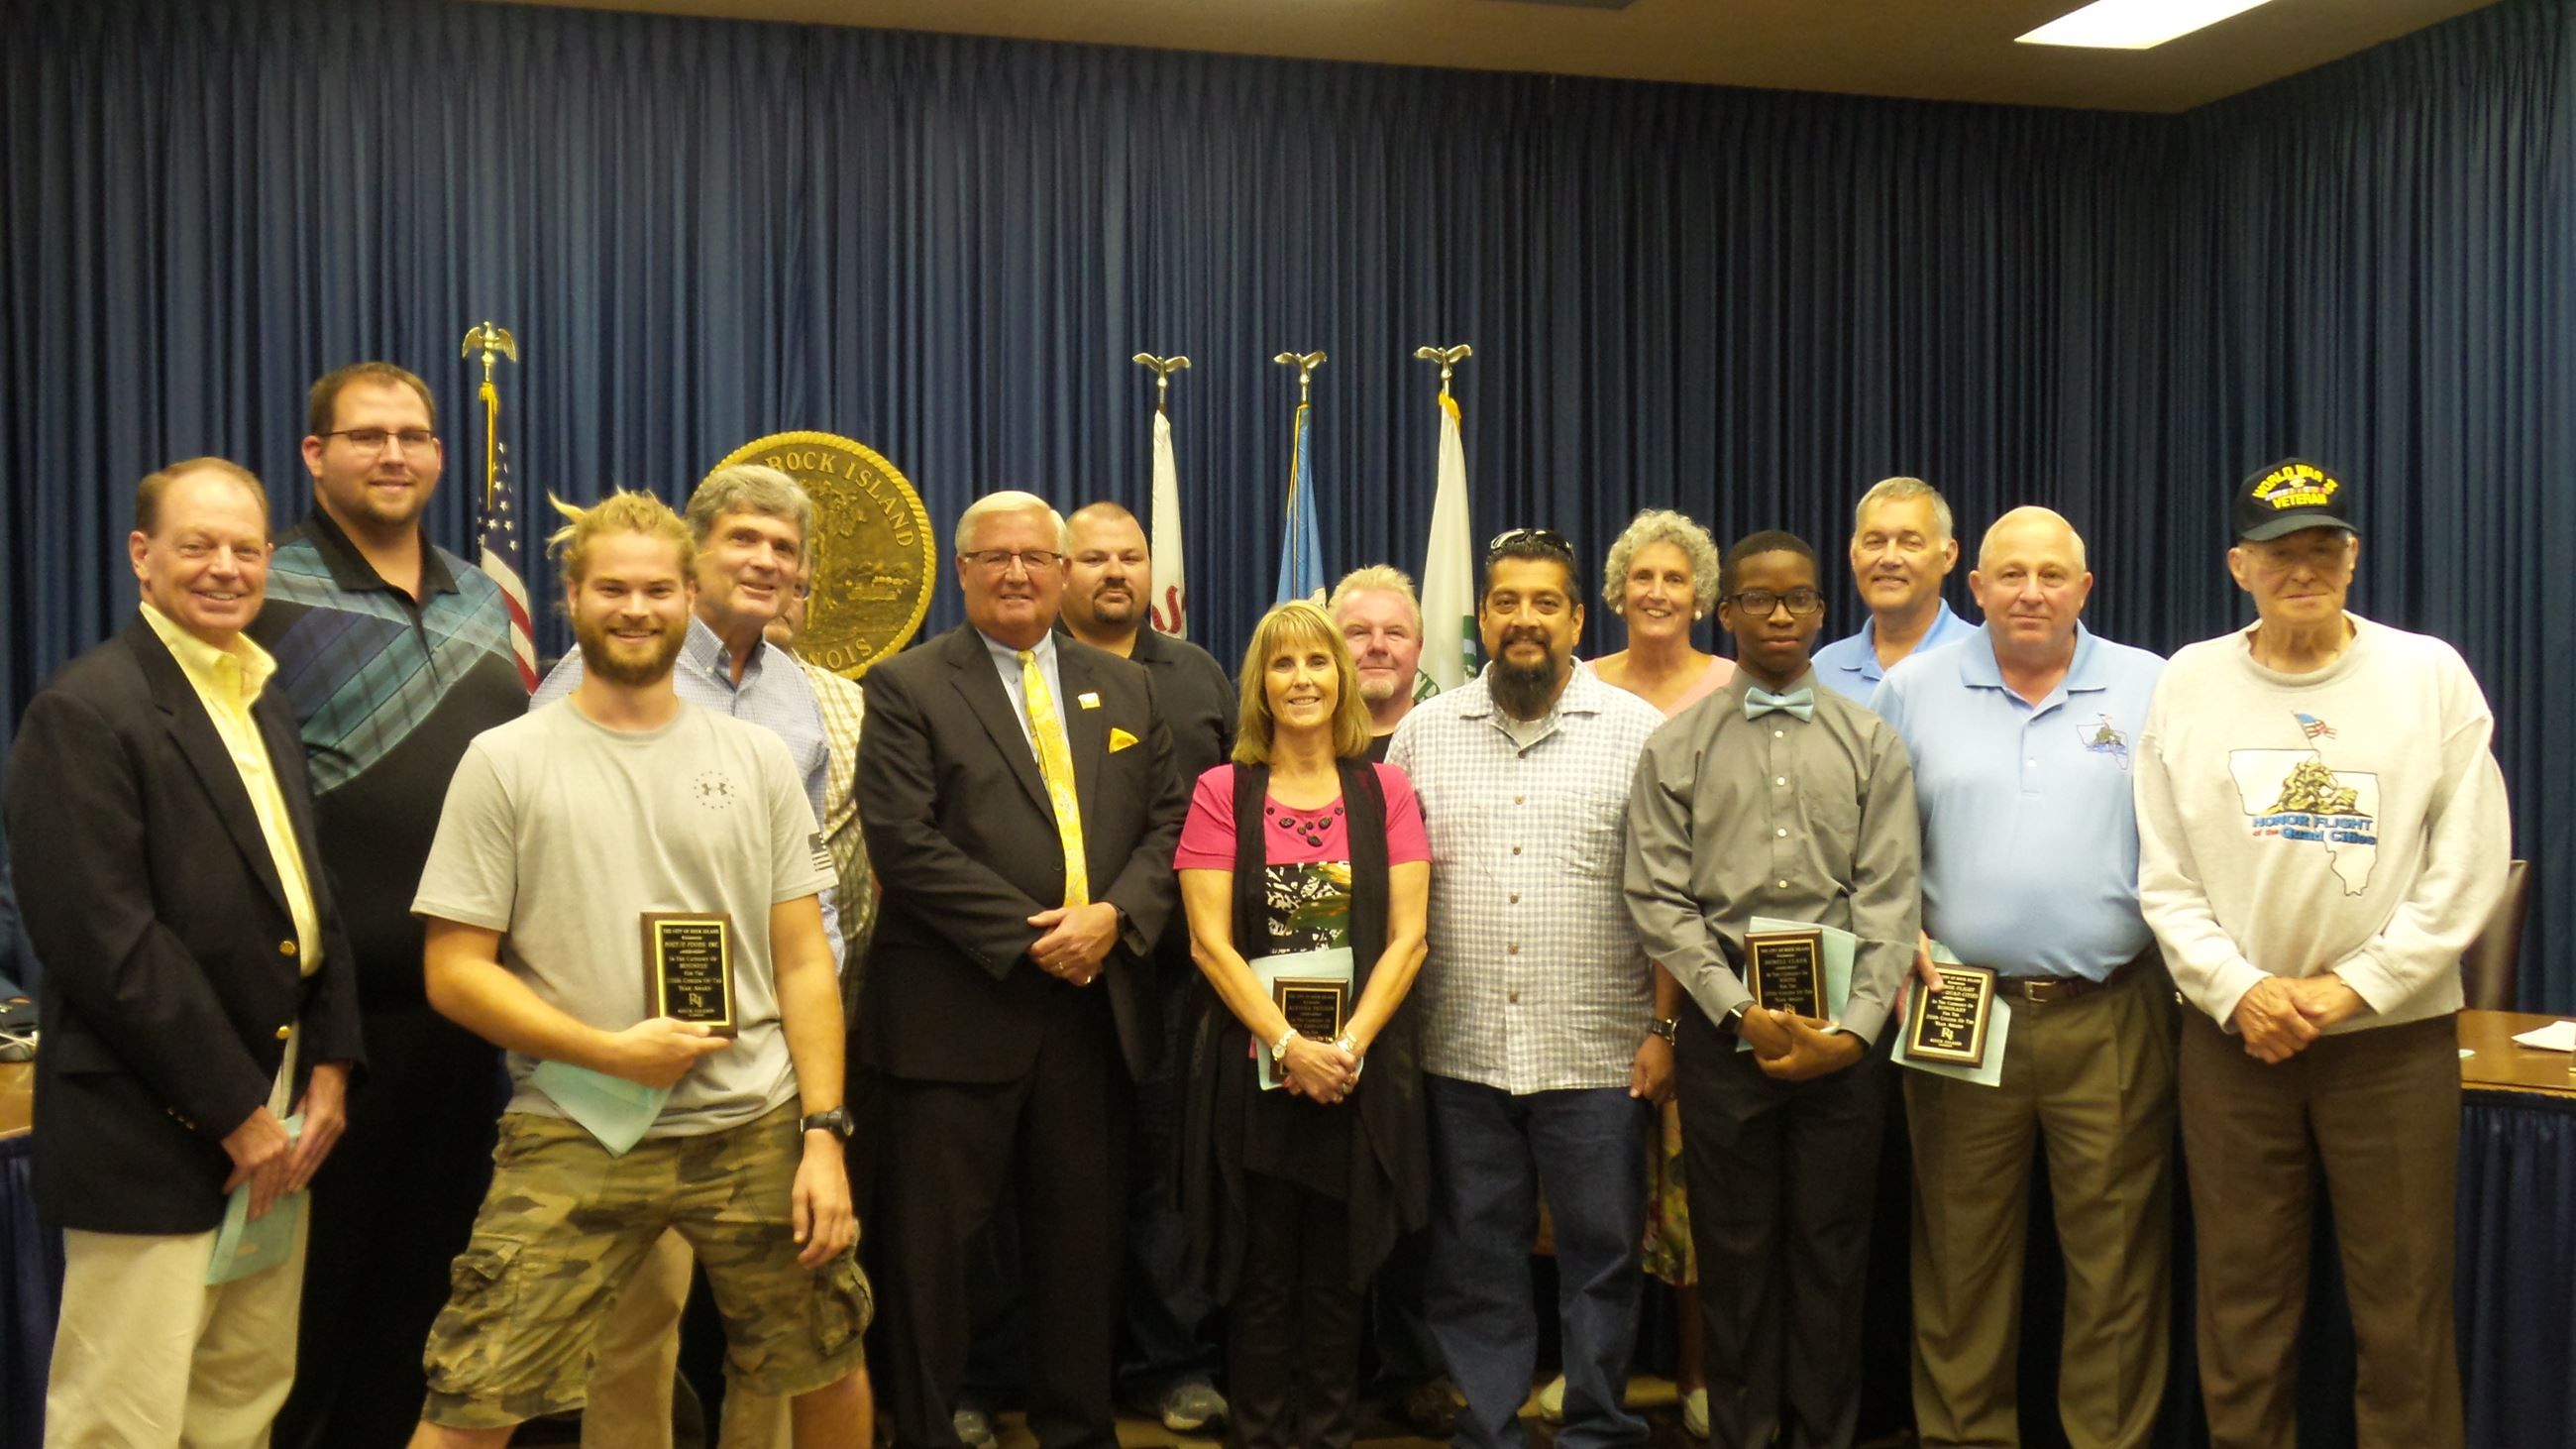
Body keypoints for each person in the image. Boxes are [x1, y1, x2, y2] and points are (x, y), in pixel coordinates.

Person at [404, 490, 869, 1449]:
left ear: (687, 593)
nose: (635, 607)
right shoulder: (504, 760)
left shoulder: (758, 758)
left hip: (755, 1123)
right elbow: (454, 972)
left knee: (826, 1359)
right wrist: (605, 1050)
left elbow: (801, 960)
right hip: (578, 1120)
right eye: (610, 586)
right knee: (473, 1390)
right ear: (571, 595)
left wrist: (822, 1133)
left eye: (657, 588)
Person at [2134, 459, 2511, 1449]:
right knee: (2241, 1311)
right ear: (2236, 567)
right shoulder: (2186, 680)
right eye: (2276, 551)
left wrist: (2352, 989)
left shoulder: (2427, 675)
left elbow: (2466, 864)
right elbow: (2162, 876)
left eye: (2321, 547)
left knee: (2401, 1312)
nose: (2301, 567)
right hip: (2233, 1044)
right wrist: (2242, 990)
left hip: (2390, 1044)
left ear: (2351, 556)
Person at [8, 458, 364, 1444]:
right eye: (197, 544)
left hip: (281, 1107)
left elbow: (310, 896)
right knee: (125, 1414)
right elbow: (104, 943)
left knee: (241, 1395)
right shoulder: (84, 710)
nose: (225, 568)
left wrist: (330, 1065)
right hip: (156, 1120)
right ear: (142, 555)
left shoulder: (261, 694)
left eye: (246, 549)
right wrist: (237, 1113)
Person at [857, 491, 1187, 1449]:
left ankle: (1078, 1429)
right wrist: (1043, 935)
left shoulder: (1127, 688)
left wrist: (1115, 918)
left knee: (1081, 1252)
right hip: (956, 1016)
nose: (1017, 573)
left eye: (1037, 558)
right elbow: (904, 844)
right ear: (961, 571)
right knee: (935, 1262)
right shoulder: (908, 684)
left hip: (1093, 1015)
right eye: (994, 557)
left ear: (1064, 570)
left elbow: (1173, 824)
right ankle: (923, 1427)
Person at [535, 464, 843, 1449]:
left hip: (770, 1048)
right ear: (691, 557)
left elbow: (816, 878)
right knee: (635, 1319)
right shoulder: (592, 678)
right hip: (632, 1056)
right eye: (741, 540)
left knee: (781, 1329)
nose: (764, 561)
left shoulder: (799, 695)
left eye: (783, 548)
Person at [253, 361, 531, 1449]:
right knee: (304, 1309)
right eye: (365, 436)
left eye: (413, 435)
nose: (394, 454)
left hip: (465, 1013)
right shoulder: (264, 587)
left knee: (427, 1289)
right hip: (322, 1023)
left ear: (439, 456)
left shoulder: (481, 596)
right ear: (316, 454)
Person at [1871, 507, 2174, 1449]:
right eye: (2011, 575)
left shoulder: (2152, 686)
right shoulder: (1912, 688)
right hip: (1960, 1009)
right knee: (1961, 1265)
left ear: (2086, 589)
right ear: (1977, 587)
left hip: (2109, 1010)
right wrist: (1898, 931)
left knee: (2117, 1268)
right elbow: (1871, 841)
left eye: (2052, 575)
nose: (2031, 592)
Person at [1623, 529, 1920, 1449]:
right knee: (1739, 1258)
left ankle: (1825, 1433)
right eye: (1760, 599)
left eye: (1798, 599)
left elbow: (1891, 897)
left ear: (1821, 613)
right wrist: (1737, 1010)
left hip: (1846, 1045)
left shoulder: (1872, 742)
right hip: (1725, 1038)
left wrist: (1856, 1032)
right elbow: (1659, 897)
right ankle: (1745, 1434)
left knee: (1833, 1257)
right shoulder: (1676, 748)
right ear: (1729, 614)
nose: (1781, 614)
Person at [1387, 527, 1668, 1449]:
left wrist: (1666, 1028)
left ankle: (1597, 1426)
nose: (1524, 620)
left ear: (1578, 618)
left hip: (1597, 1047)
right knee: (1474, 1258)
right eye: (1506, 602)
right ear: (1482, 617)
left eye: (1545, 603)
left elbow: (1671, 895)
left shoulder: (1637, 732)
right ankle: (1492, 1427)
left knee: (1602, 1255)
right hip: (1457, 1047)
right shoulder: (1425, 732)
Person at [1173, 600, 1433, 1449]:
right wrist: (1288, 1045)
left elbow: (1409, 939)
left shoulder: (1384, 790)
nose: (1303, 680)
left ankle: (1327, 1432)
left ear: (1342, 677)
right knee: (1261, 1278)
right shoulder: (1224, 790)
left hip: (1353, 1077)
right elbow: (1210, 946)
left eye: (1318, 662)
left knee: (1337, 1280)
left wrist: (1343, 1048)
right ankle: (1256, 1432)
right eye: (1283, 666)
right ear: (1261, 685)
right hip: (1254, 1074)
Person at [1059, 500, 1236, 1434]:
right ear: (1061, 569)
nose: (1114, 572)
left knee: (1173, 1179)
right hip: (1051, 976)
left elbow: (1228, 814)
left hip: (1175, 976)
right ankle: (1037, 1370)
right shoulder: (1026, 669)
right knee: (1057, 1183)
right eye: (1093, 558)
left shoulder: (1198, 673)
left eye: (1131, 557)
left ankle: (1172, 1363)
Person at [1589, 508, 1732, 1438]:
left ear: (1703, 596)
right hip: (1596, 975)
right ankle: (1589, 1374)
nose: (1657, 592)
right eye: (1642, 576)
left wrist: (1676, 1013)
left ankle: (1694, 1371)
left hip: (1704, 980)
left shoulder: (1730, 690)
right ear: (1615, 590)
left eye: (1676, 579)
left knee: (1692, 1195)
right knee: (1589, 1200)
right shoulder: (1581, 686)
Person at [1810, 477, 1974, 707]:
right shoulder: (1824, 670)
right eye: (1875, 542)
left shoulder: (1985, 660)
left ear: (1948, 556)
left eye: (1910, 543)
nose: (1889, 559)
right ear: (1853, 554)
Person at [1329, 566, 1427, 760]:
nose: (1378, 646)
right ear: (1331, 646)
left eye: (1394, 633)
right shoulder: (1303, 748)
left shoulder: (1449, 742)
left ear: (1419, 647)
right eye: (1359, 632)